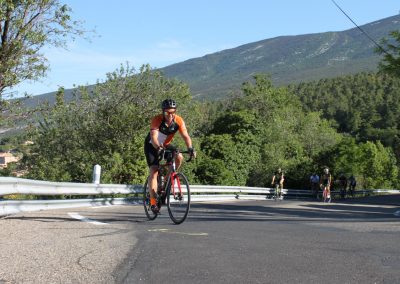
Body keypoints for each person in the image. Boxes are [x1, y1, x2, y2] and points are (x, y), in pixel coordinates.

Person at [144, 99, 196, 213]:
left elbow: (186, 136)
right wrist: (159, 148)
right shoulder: (157, 120)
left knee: (179, 156)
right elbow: (154, 138)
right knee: (154, 170)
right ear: (163, 112)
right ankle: (153, 202)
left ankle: (169, 178)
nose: (170, 115)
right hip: (152, 145)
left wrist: (190, 148)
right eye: (167, 112)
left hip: (165, 145)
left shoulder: (178, 120)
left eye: (173, 112)